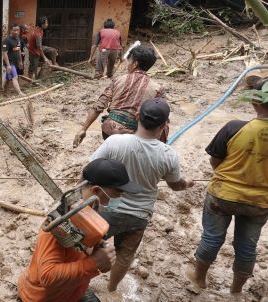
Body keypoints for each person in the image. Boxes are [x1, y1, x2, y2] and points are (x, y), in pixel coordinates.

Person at [90, 98, 194, 292]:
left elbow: (90, 169)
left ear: (137, 116)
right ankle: (112, 290)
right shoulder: (168, 154)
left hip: (106, 210)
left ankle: (81, 283)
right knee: (125, 255)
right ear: (164, 125)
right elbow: (175, 186)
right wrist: (186, 183)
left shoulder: (115, 141)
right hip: (138, 216)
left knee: (87, 247)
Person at [18, 158, 141, 301]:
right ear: (96, 190)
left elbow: (84, 253)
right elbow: (47, 276)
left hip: (72, 291)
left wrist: (100, 251)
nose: (116, 201)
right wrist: (93, 264)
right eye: (115, 196)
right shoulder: (60, 224)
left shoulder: (90, 210)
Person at [187, 78, 268, 294]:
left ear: (255, 103)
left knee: (211, 238)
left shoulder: (234, 127)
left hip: (223, 195)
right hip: (259, 202)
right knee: (247, 246)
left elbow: (215, 161)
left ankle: (198, 280)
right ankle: (236, 291)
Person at [73, 46, 165, 148]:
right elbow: (160, 118)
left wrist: (84, 129)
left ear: (135, 64)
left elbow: (99, 105)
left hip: (109, 132)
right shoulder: (157, 89)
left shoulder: (118, 80)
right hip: (135, 138)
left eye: (129, 60)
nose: (127, 64)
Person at [2, 25, 24, 96]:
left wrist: (20, 61)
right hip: (9, 62)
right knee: (15, 77)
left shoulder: (18, 39)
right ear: (11, 31)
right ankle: (19, 93)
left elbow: (19, 50)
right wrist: (8, 65)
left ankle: (4, 92)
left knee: (8, 78)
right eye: (14, 30)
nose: (16, 32)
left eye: (18, 30)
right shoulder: (6, 40)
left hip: (15, 62)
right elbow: (4, 53)